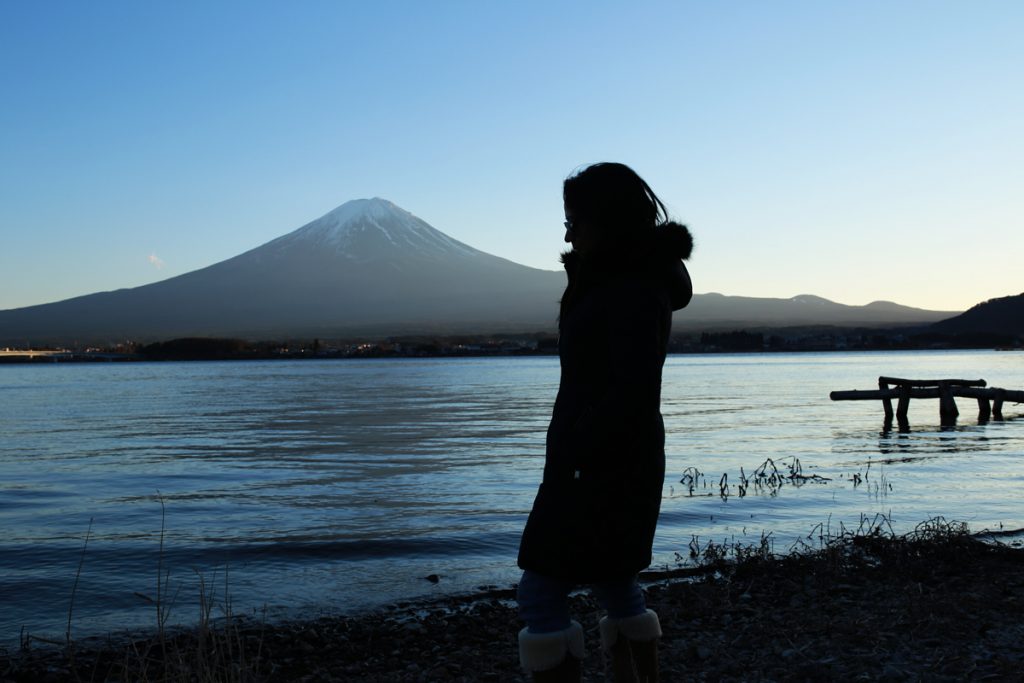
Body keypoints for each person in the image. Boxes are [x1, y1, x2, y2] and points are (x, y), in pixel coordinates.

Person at [516, 163, 693, 682]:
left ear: (607, 220)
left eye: (574, 220)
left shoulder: (630, 285)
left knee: (541, 592)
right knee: (616, 581)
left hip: (599, 464)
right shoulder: (615, 278)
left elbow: (631, 386)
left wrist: (577, 444)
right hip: (619, 459)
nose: (568, 233)